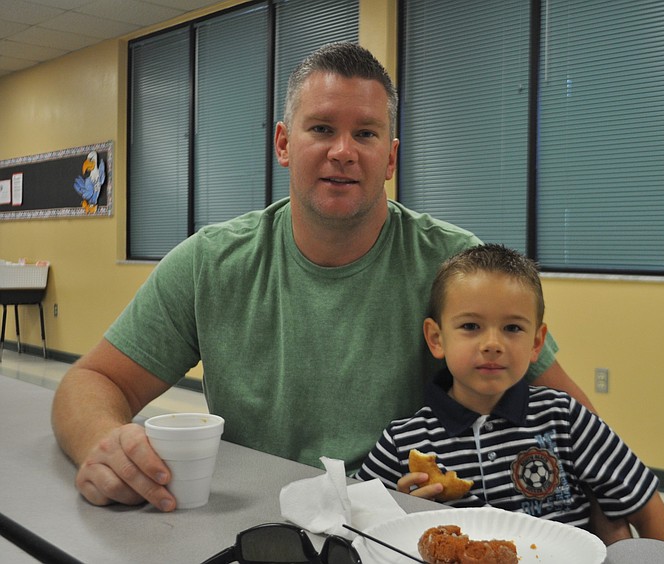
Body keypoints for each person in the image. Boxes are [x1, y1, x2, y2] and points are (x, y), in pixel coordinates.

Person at [50, 41, 599, 519]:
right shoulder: (210, 263)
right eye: (321, 129)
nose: (343, 151)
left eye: (365, 133)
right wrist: (104, 442)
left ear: (390, 157)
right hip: (252, 523)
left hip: (403, 529)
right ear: (284, 143)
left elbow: (576, 421)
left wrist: (606, 517)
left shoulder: (457, 265)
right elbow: (93, 381)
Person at [356, 244, 664, 544]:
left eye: (512, 328)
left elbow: (648, 510)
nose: (492, 344)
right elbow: (353, 522)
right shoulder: (403, 443)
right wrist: (400, 514)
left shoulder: (565, 418)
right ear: (437, 338)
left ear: (537, 343)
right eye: (470, 326)